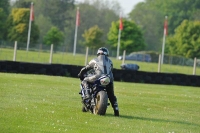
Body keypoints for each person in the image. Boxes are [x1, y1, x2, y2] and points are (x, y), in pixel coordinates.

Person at [78, 47, 119, 116]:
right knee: (111, 94)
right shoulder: (110, 62)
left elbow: (85, 69)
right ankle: (116, 109)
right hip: (108, 79)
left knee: (85, 80)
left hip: (97, 76)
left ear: (98, 53)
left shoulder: (94, 60)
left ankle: (87, 96)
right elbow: (110, 70)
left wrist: (80, 74)